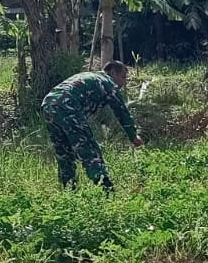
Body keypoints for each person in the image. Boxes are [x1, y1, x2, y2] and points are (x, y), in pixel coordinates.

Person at [40, 61, 143, 190]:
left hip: (49, 104)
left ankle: (68, 188)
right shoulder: (108, 82)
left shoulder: (91, 76)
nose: (124, 82)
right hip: (68, 105)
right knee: (88, 147)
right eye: (123, 77)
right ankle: (105, 187)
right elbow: (121, 111)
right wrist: (133, 136)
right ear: (113, 73)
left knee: (63, 150)